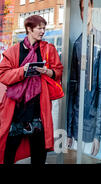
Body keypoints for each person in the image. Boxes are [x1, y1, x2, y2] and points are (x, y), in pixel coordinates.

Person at [0, 15, 63, 164]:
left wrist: (47, 71)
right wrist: (22, 71)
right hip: (16, 109)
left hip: (38, 110)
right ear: (29, 29)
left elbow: (58, 71)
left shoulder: (49, 49)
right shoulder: (14, 51)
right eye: (39, 28)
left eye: (44, 28)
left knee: (39, 153)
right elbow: (3, 74)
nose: (43, 31)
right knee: (9, 151)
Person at [67, 0, 101, 156]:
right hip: (77, 121)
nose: (86, 13)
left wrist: (98, 134)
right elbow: (72, 88)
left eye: (88, 9)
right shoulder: (78, 42)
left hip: (91, 121)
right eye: (83, 9)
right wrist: (68, 130)